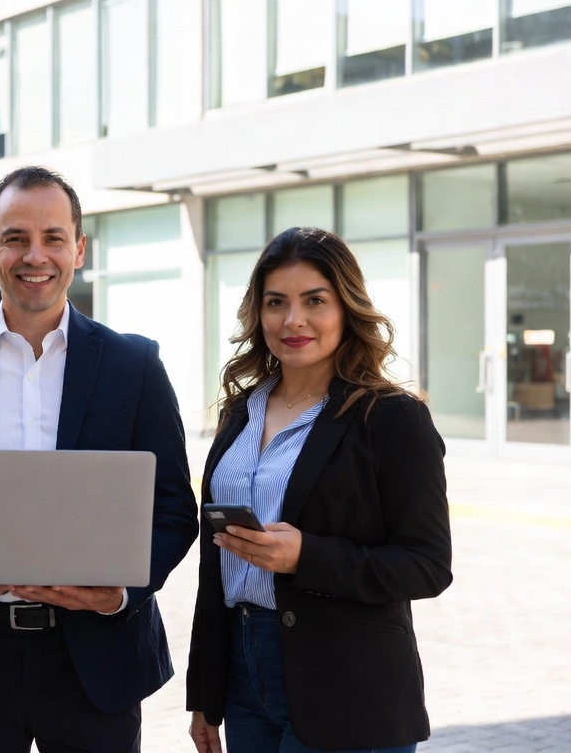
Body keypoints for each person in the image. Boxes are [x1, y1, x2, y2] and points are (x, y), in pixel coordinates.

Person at [0, 165, 198, 752]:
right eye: (16, 238)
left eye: (53, 238)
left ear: (79, 248)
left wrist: (124, 591)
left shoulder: (135, 366)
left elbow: (174, 509)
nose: (35, 256)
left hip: (96, 659)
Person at [185, 226, 453, 753]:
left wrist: (305, 556)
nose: (293, 320)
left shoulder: (391, 418)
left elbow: (427, 565)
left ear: (346, 308)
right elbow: (216, 566)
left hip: (347, 683)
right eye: (276, 302)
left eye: (314, 301)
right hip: (243, 675)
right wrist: (206, 691)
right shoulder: (240, 413)